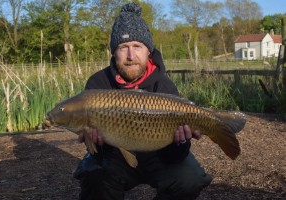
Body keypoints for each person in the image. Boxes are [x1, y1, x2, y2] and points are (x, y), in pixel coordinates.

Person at [73, 2, 212, 200]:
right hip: (116, 155)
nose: (131, 56)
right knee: (93, 174)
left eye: (137, 46)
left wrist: (180, 142)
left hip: (160, 154)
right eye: (123, 47)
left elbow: (176, 156)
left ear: (149, 51)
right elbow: (98, 155)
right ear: (114, 52)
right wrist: (96, 144)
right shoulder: (97, 83)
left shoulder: (164, 85)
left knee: (190, 178)